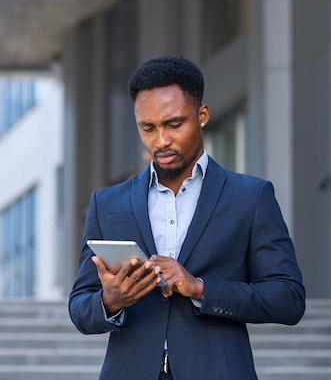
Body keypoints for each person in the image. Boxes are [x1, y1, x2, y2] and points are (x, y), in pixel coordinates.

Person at [68, 55, 306, 380]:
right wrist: (110, 301)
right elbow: (80, 307)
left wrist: (200, 289)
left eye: (174, 124)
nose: (161, 140)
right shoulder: (107, 203)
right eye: (147, 128)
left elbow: (288, 299)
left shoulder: (250, 197)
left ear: (202, 115)